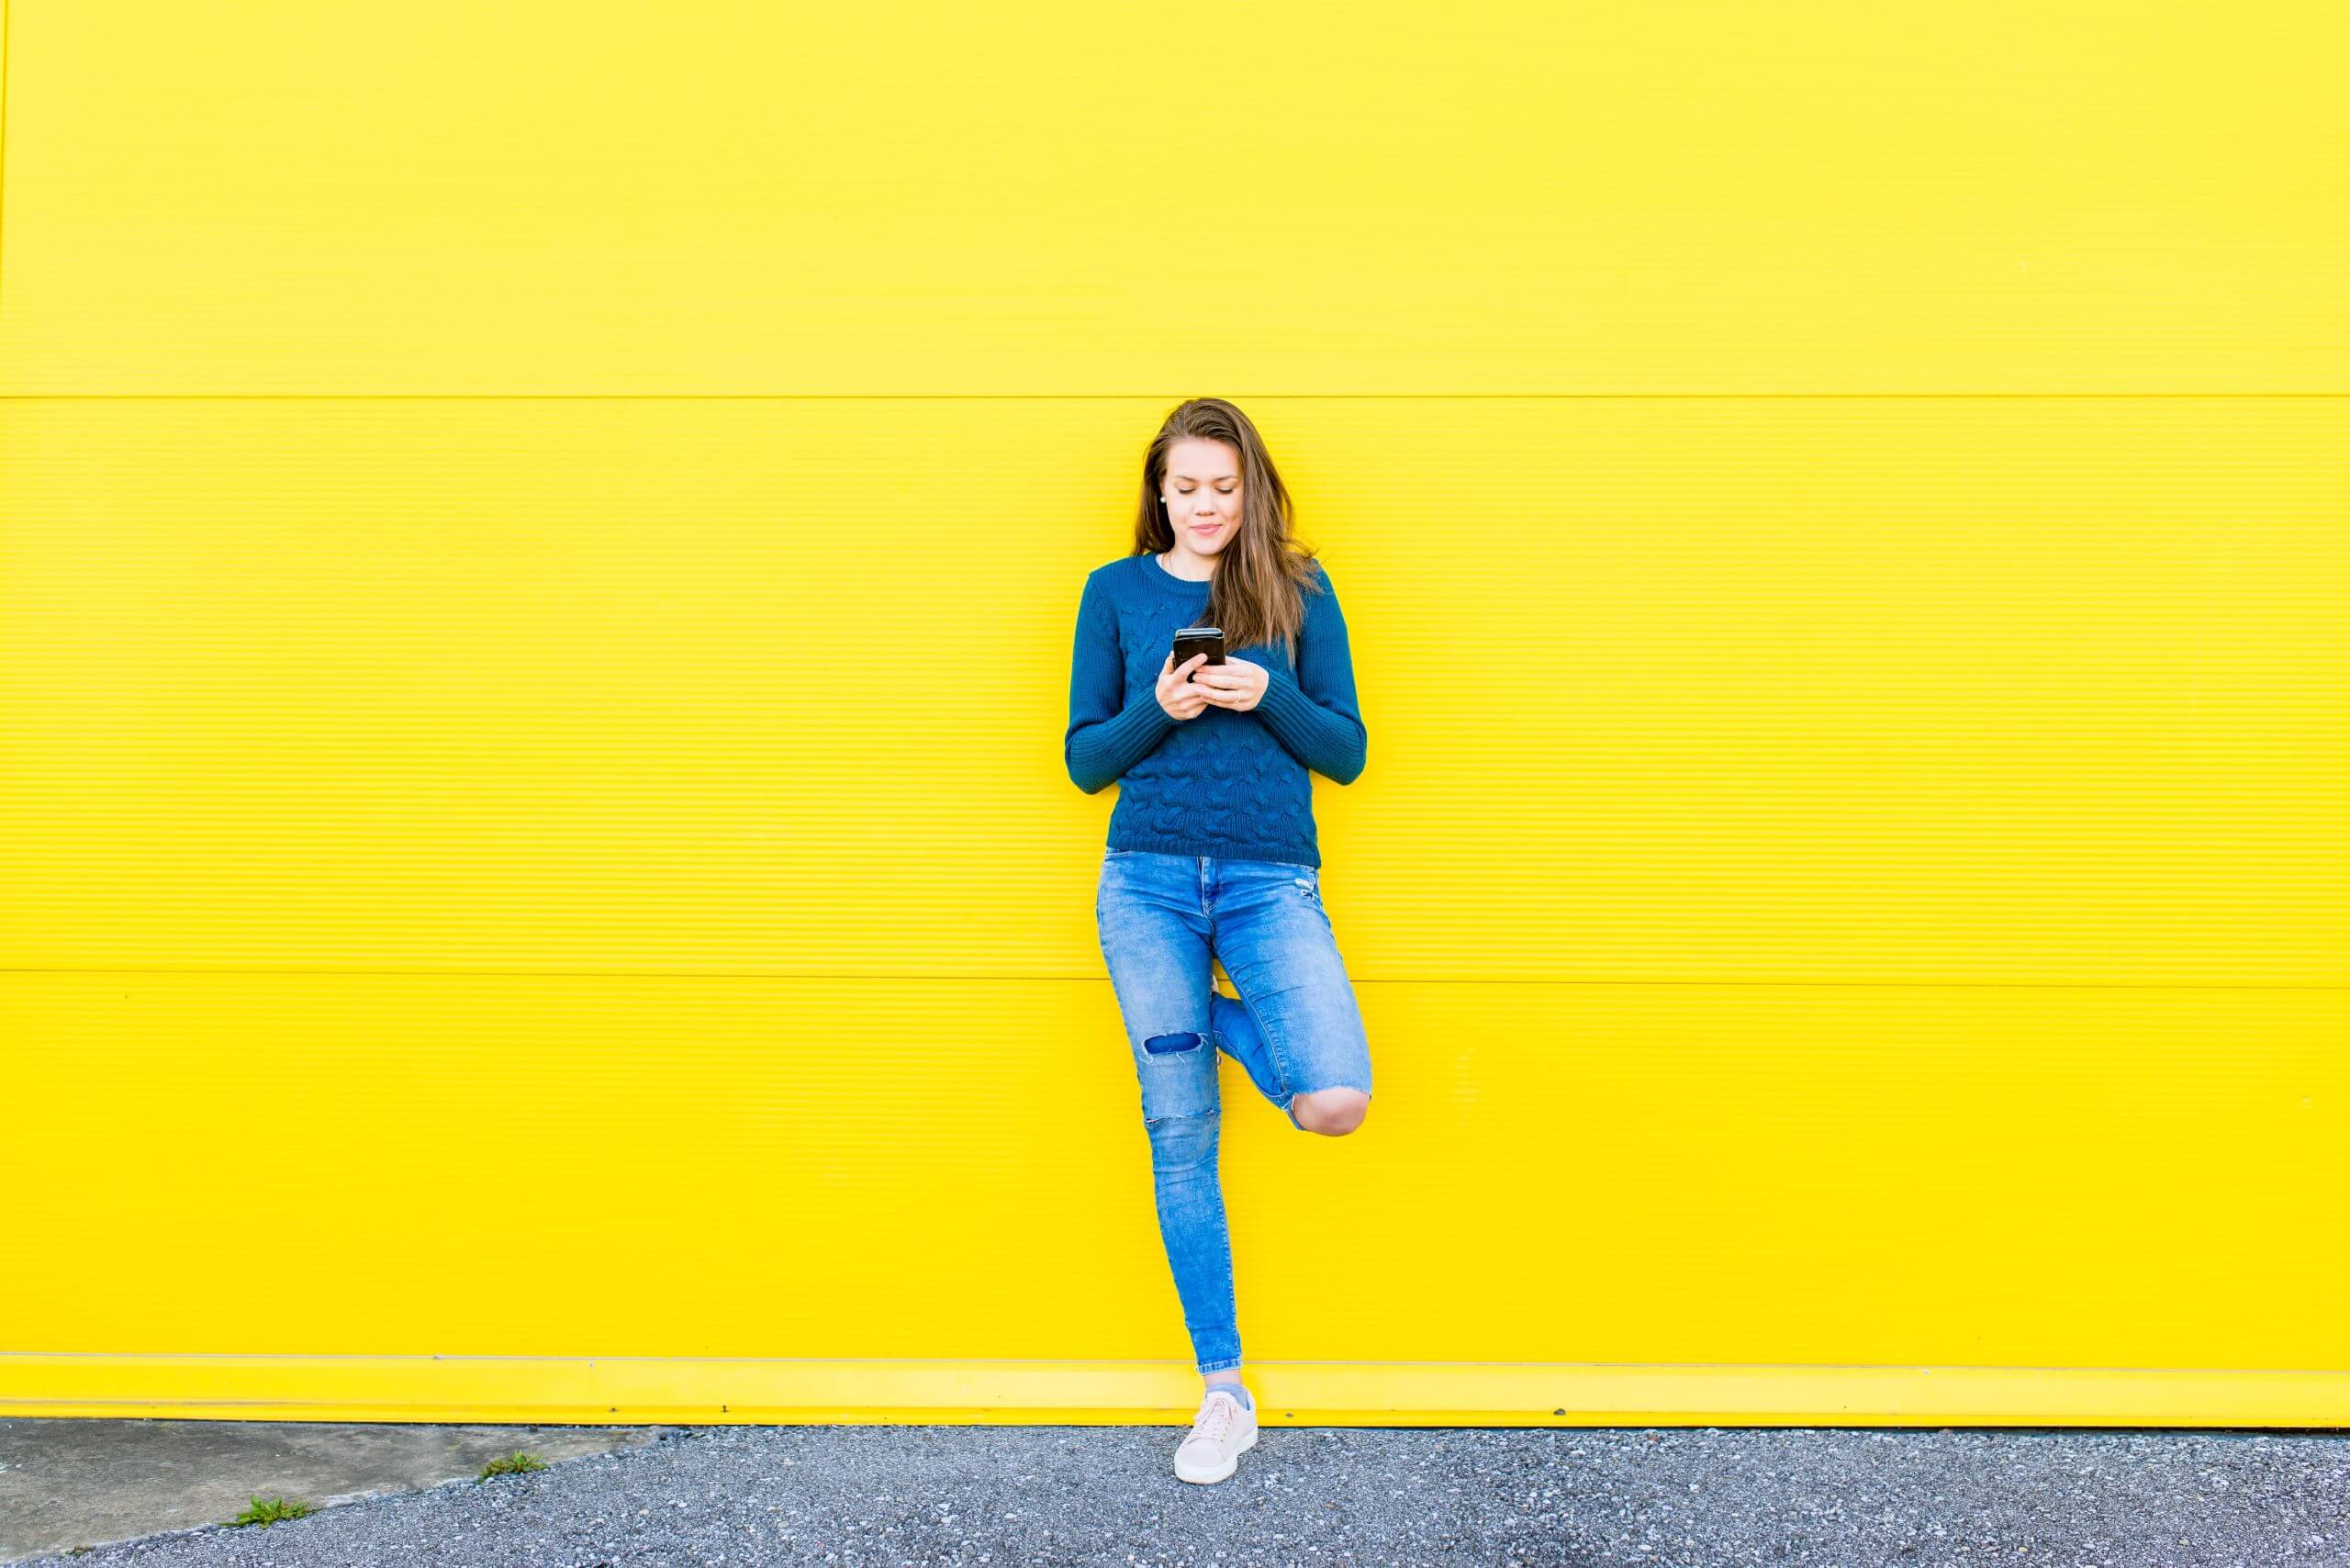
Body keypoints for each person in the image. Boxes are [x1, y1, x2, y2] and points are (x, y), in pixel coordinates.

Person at [1063, 396, 1372, 1484]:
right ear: (1159, 489)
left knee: (1332, 1098)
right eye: (1185, 486)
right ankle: (1223, 1390)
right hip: (1144, 882)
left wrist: (1269, 692)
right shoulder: (1114, 591)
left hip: (1266, 879)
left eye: (1223, 487)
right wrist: (1162, 707)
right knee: (1180, 1132)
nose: (1204, 505)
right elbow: (1084, 760)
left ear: (1251, 491)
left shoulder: (1297, 589)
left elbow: (1346, 751)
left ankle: (1201, 1027)